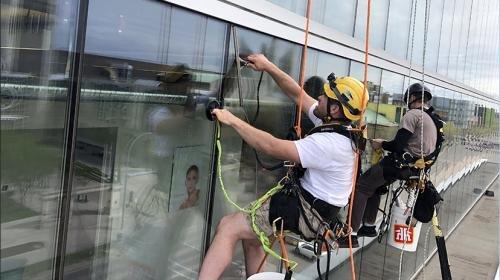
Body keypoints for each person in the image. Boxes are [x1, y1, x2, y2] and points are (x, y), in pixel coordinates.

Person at [198, 53, 368, 279]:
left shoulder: (330, 144)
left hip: (308, 210)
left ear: (335, 109)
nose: (318, 97)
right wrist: (268, 66)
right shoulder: (336, 126)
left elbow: (270, 146)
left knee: (228, 227)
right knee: (255, 240)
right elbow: (297, 94)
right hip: (316, 207)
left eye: (325, 96)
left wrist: (231, 119)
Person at [339, 83, 438, 248]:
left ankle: (351, 235)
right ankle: (369, 226)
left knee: (362, 186)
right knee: (376, 187)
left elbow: (398, 145)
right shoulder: (431, 120)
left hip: (399, 164)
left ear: (412, 98)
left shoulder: (413, 115)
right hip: (412, 168)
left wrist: (381, 144)